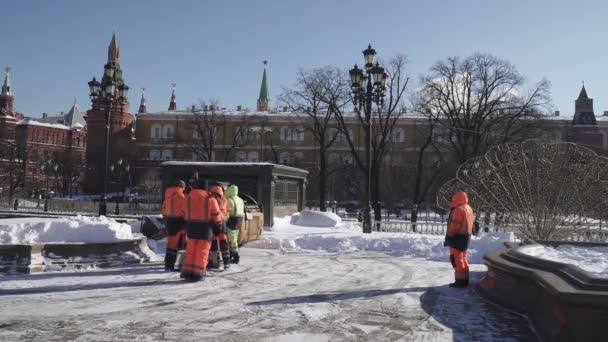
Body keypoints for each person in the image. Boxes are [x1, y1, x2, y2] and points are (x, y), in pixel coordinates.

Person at [181, 180, 222, 282]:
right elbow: (216, 215)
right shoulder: (210, 198)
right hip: (205, 228)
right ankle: (198, 273)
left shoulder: (188, 198)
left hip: (191, 227)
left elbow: (183, 212)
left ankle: (187, 272)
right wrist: (219, 226)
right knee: (202, 251)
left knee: (190, 250)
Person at [443, 191, 475, 288]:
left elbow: (454, 224)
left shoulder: (458, 209)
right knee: (463, 257)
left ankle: (460, 281)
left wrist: (449, 237)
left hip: (457, 236)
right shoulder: (469, 208)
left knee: (457, 258)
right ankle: (465, 279)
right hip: (466, 236)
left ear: (456, 199)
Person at [161, 180, 186, 271]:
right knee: (179, 245)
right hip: (179, 223)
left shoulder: (167, 197)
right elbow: (186, 210)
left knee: (170, 244)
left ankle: (168, 265)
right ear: (181, 187)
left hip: (169, 222)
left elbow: (163, 211)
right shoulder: (181, 196)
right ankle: (176, 264)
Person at [209, 185, 231, 270]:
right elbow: (226, 213)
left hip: (215, 224)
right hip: (221, 225)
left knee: (216, 245)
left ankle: (215, 263)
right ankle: (225, 262)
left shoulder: (210, 200)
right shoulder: (224, 201)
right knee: (223, 245)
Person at [225, 184, 245, 264]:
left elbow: (227, 212)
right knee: (234, 237)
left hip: (232, 219)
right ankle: (232, 254)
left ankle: (236, 256)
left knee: (231, 239)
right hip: (239, 219)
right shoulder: (240, 199)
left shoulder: (229, 200)